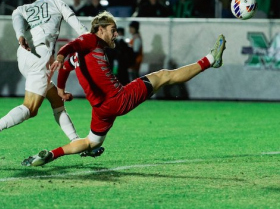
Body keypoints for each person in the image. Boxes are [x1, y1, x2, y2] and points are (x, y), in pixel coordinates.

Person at [21, 11, 227, 167]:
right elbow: (70, 47)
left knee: (91, 142)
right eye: (113, 30)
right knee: (164, 75)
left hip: (101, 109)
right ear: (100, 30)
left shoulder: (84, 52)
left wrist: (61, 90)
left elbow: (66, 66)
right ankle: (210, 60)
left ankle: (51, 154)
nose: (116, 34)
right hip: (118, 98)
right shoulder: (91, 39)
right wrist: (59, 56)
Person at [0, 0, 86, 144]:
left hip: (24, 55)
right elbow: (77, 26)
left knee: (56, 100)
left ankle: (75, 141)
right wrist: (90, 40)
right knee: (30, 109)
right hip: (41, 55)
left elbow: (16, 18)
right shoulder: (56, 3)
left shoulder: (22, 8)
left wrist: (20, 36)